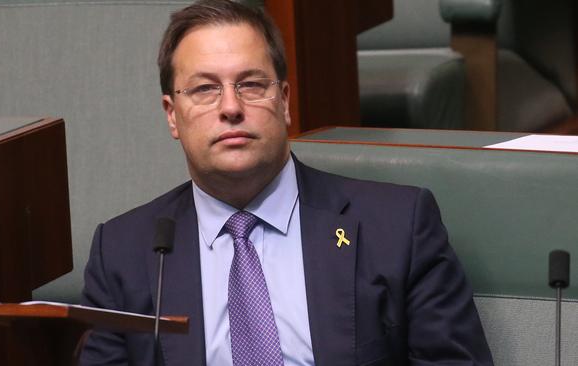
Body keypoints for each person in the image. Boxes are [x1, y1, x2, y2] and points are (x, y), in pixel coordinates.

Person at [80, 1, 494, 365]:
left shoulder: (398, 228)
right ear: (172, 114)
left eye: (252, 84)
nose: (231, 107)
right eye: (205, 89)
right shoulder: (122, 253)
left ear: (284, 100)